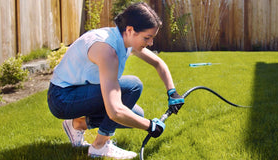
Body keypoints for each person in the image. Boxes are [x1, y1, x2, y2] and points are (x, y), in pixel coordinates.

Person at [47, 2, 184, 159]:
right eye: (147, 37)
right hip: (62, 99)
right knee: (132, 86)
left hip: (76, 93)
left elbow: (158, 63)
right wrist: (149, 126)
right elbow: (115, 111)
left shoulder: (124, 39)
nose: (151, 43)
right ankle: (100, 146)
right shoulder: (107, 50)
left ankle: (78, 124)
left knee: (137, 113)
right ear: (130, 30)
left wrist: (172, 92)